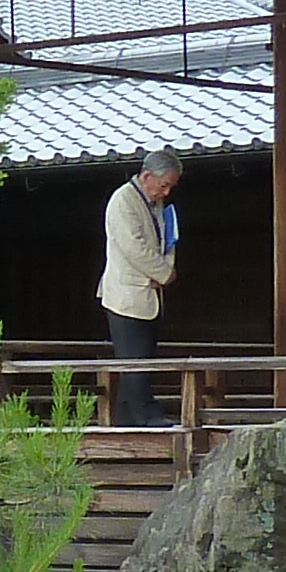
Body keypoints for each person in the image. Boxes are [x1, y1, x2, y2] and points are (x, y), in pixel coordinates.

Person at [99, 149, 182, 427]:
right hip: (126, 294)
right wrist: (164, 272)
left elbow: (167, 240)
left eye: (170, 186)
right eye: (163, 185)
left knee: (144, 356)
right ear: (146, 176)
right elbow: (134, 247)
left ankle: (137, 414)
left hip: (149, 293)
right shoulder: (122, 201)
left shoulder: (154, 203)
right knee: (133, 359)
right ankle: (139, 415)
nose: (166, 192)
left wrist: (166, 270)